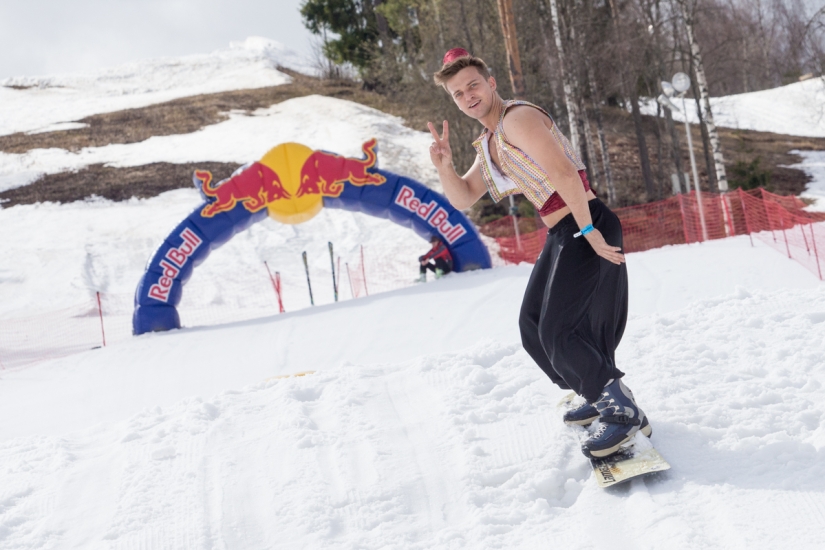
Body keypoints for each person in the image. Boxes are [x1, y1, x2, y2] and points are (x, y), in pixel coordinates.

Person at [427, 48, 650, 459]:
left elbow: (564, 172)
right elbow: (464, 198)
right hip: (565, 231)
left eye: (473, 85)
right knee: (533, 327)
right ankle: (597, 389)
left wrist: (589, 231)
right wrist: (444, 166)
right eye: (458, 94)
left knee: (558, 331)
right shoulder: (490, 142)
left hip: (584, 222)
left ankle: (620, 408)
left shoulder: (517, 118)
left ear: (491, 83)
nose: (467, 96)